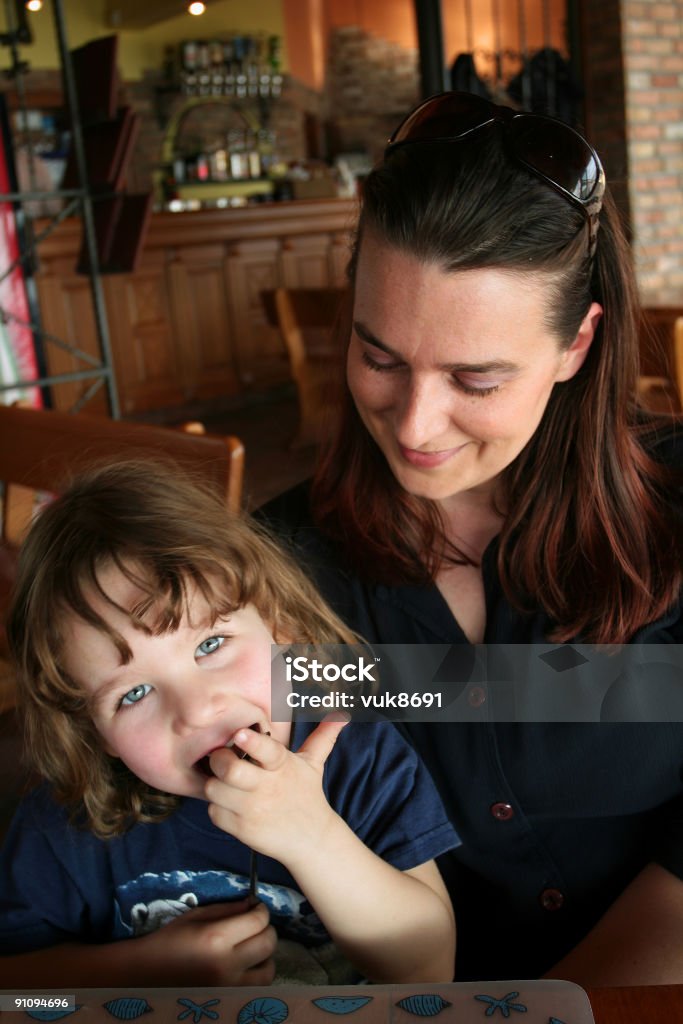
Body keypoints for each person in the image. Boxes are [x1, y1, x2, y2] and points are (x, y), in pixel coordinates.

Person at [261, 91, 683, 986]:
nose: (415, 423)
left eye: (476, 378)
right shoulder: (277, 567)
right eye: (379, 356)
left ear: (575, 345)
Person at [0, 460, 457, 986]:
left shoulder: (359, 757)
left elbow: (430, 973)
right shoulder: (63, 828)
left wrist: (312, 837)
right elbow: (23, 1004)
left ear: (279, 626)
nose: (196, 710)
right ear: (91, 732)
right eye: (135, 693)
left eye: (211, 645)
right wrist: (136, 971)